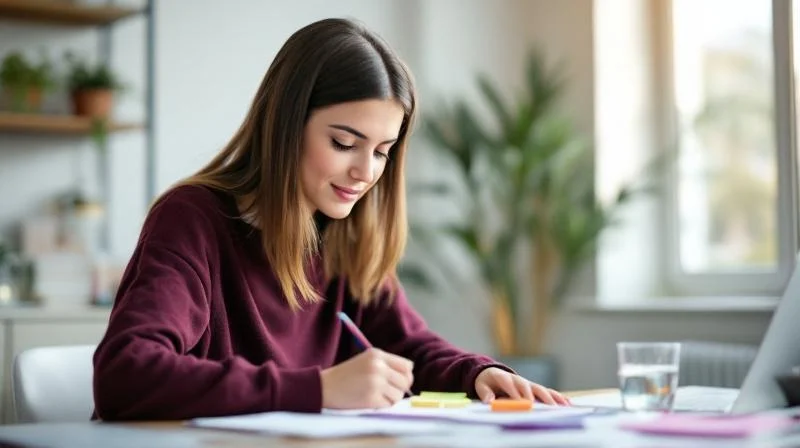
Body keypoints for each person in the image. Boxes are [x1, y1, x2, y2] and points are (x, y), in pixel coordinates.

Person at [92, 17, 569, 421]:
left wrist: (478, 373)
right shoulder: (193, 218)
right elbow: (125, 374)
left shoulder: (345, 233)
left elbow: (412, 348)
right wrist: (317, 390)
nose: (365, 173)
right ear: (284, 126)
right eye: (343, 144)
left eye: (382, 152)